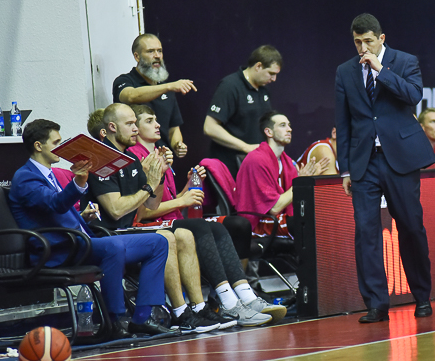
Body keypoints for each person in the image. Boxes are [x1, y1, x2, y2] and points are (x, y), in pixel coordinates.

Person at [8, 119, 175, 339]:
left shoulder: (47, 174)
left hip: (79, 243)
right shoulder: (25, 177)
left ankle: (142, 318)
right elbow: (55, 204)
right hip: (58, 250)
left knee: (158, 242)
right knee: (113, 246)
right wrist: (78, 183)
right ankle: (116, 320)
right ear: (38, 146)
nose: (60, 148)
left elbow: (52, 212)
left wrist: (81, 216)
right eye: (55, 143)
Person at [128, 105, 278, 325]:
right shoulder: (136, 158)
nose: (158, 125)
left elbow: (165, 200)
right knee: (202, 227)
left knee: (232, 224)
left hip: (171, 218)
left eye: (156, 119)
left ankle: (244, 295)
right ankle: (228, 302)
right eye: (149, 121)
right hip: (152, 226)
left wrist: (186, 189)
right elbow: (143, 211)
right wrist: (183, 201)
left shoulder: (160, 153)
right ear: (136, 128)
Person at [87, 104, 225, 334]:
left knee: (183, 235)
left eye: (135, 123)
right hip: (106, 234)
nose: (135, 129)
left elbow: (151, 203)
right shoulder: (102, 160)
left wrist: (159, 175)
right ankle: (177, 312)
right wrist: (149, 185)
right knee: (165, 239)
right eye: (130, 124)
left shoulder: (130, 158)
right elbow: (116, 210)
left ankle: (195, 308)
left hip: (127, 232)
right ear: (112, 127)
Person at [335, 13, 435, 323]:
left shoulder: (404, 61)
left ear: (381, 38)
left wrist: (381, 70)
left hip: (400, 157)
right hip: (363, 161)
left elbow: (413, 95)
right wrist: (345, 170)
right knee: (366, 232)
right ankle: (376, 304)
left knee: (410, 226)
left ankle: (422, 296)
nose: (362, 47)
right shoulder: (345, 71)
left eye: (367, 41)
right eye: (357, 42)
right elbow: (344, 121)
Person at [237, 111, 324, 240]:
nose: (289, 129)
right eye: (283, 125)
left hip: (278, 218)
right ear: (269, 132)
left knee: (322, 216)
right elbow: (274, 208)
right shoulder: (256, 159)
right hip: (259, 222)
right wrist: (300, 183)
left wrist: (308, 182)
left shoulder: (287, 161)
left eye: (289, 125)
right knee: (308, 223)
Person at [204, 45, 281, 178]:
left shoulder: (264, 90)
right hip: (229, 168)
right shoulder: (230, 86)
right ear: (258, 66)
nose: (274, 79)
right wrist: (245, 147)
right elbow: (209, 127)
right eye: (271, 73)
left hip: (255, 167)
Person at [113, 34, 195, 156]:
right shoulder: (125, 81)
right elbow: (130, 96)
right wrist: (168, 87)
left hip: (163, 158)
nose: (157, 56)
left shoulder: (167, 89)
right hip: (135, 158)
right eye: (150, 51)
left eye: (159, 51)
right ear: (137, 56)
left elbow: (173, 128)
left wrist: (178, 145)